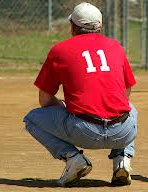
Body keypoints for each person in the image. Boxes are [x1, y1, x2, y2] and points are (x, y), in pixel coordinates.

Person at [23, 2, 138, 187]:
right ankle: (122, 159)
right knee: (130, 108)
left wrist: (63, 106)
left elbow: (44, 100)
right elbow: (126, 92)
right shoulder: (115, 46)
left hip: (84, 132)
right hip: (121, 133)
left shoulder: (60, 50)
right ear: (99, 26)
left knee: (32, 118)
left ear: (73, 27)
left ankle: (73, 157)